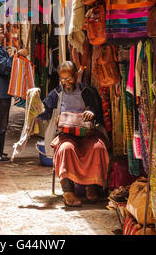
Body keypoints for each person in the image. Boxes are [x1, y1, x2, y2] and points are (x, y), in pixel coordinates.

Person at [37, 61, 109, 207]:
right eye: (62, 79)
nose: (66, 83)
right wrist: (35, 106)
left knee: (97, 148)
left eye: (69, 78)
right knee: (65, 149)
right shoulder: (56, 94)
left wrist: (92, 112)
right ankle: (67, 191)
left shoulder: (87, 91)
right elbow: (43, 113)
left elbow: (99, 113)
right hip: (66, 135)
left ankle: (91, 186)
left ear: (76, 75)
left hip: (87, 134)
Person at [0, 22, 29, 162]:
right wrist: (17, 55)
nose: (1, 30)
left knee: (0, 122)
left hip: (0, 90)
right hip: (0, 91)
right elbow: (3, 67)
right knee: (1, 123)